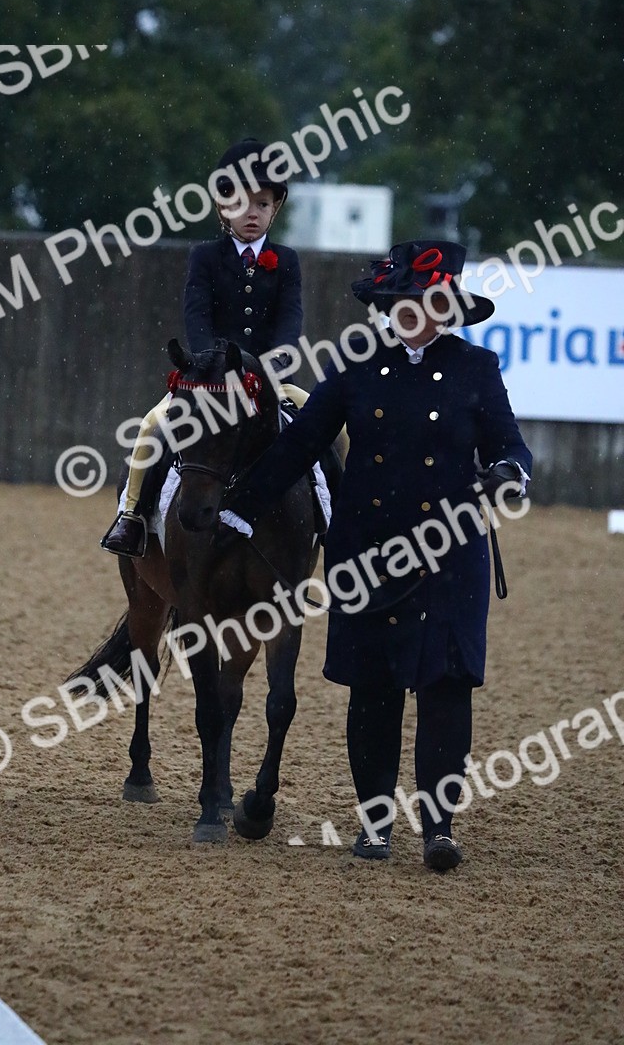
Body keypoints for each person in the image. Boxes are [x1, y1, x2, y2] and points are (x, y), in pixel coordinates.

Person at [217, 239, 533, 871]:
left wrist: (508, 473)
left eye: (435, 302)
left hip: (449, 553)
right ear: (391, 306)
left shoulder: (478, 368)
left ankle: (439, 827)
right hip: (370, 553)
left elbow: (512, 446)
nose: (422, 312)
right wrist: (239, 506)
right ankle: (376, 823)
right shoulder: (357, 368)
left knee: (445, 690)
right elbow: (302, 444)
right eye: (411, 301)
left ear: (450, 308)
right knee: (375, 690)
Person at [101, 138, 305, 557]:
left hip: (267, 379)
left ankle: (334, 522)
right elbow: (197, 315)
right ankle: (132, 516)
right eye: (241, 203)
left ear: (275, 209)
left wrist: (280, 358)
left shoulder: (286, 261)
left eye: (262, 204)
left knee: (332, 433)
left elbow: (290, 319)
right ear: (221, 207)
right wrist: (210, 362)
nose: (252, 213)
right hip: (210, 381)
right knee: (152, 427)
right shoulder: (205, 257)